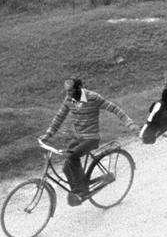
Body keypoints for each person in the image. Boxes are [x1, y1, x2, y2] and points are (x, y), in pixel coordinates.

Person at [42, 77, 139, 205]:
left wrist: (130, 124)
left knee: (72, 157)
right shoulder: (69, 100)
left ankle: (82, 192)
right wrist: (49, 134)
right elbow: (59, 117)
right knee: (66, 167)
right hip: (79, 138)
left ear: (79, 88)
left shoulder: (93, 97)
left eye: (71, 91)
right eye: (67, 91)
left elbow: (114, 109)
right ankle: (79, 191)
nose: (68, 94)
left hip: (91, 138)